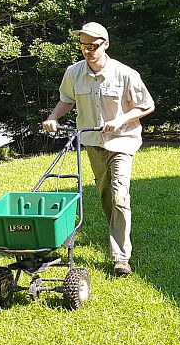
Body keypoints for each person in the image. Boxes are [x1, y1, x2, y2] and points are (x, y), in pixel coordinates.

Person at [42, 22, 155, 276]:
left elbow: (147, 105)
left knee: (119, 195)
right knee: (105, 195)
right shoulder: (73, 73)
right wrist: (53, 118)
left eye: (93, 46)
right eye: (83, 45)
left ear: (105, 45)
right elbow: (66, 100)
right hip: (92, 142)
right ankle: (116, 229)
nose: (87, 50)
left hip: (122, 141)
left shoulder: (125, 74)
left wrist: (120, 121)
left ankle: (120, 257)